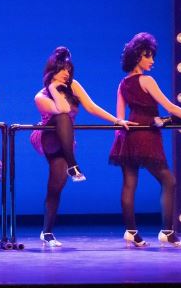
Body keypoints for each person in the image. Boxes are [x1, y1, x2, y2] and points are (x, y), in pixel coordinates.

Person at [110, 33, 181, 248]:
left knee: (129, 185)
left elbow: (119, 119)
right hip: (146, 136)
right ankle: (167, 232)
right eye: (148, 56)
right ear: (137, 56)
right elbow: (172, 107)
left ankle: (131, 232)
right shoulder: (146, 80)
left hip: (127, 136)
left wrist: (121, 138)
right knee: (169, 181)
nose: (152, 61)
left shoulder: (122, 84)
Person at [32, 46, 133, 247]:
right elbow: (62, 109)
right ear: (52, 70)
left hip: (66, 142)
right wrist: (53, 88)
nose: (66, 73)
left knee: (56, 185)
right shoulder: (41, 96)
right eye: (62, 69)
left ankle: (47, 232)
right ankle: (73, 164)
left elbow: (92, 107)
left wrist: (116, 120)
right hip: (46, 137)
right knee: (62, 116)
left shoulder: (74, 86)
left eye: (69, 70)